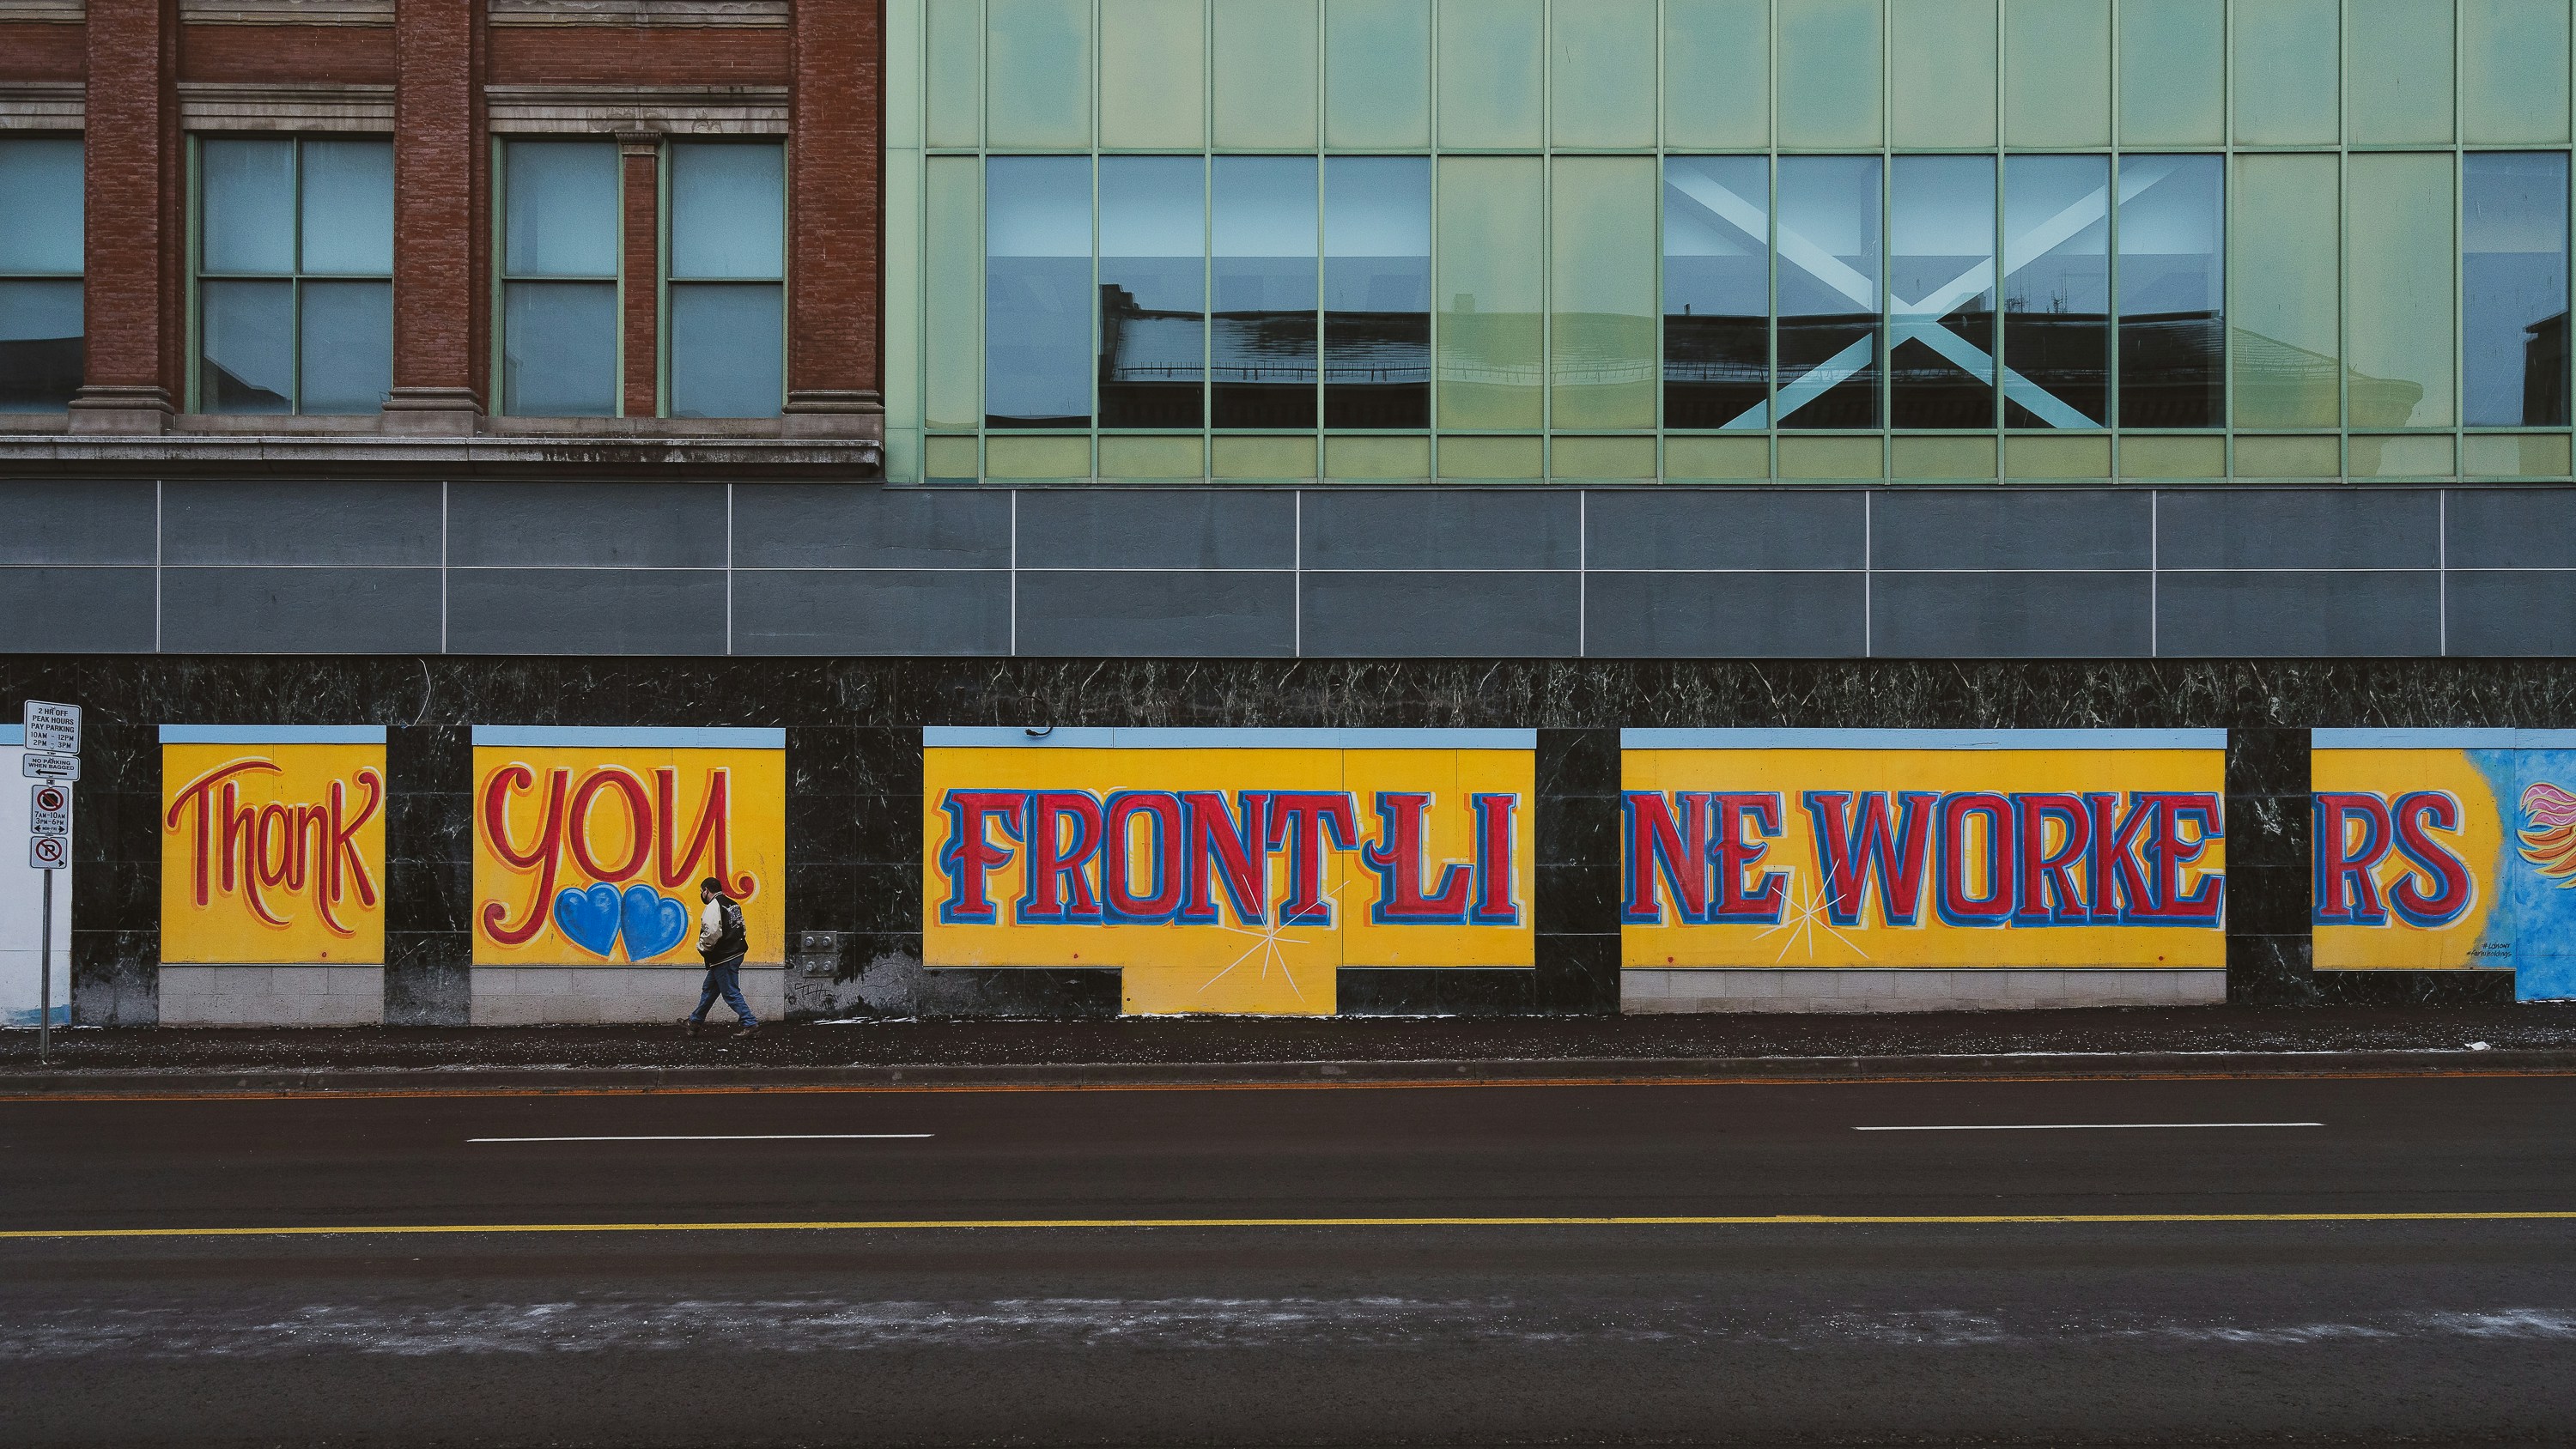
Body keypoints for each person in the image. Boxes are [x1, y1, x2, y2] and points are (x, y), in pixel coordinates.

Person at [682, 876, 758, 1036]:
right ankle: (694, 1022)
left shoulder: (713, 906)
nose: (702, 894)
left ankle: (750, 1023)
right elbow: (741, 929)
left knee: (730, 992)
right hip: (734, 953)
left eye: (701, 891)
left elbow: (711, 932)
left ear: (706, 890)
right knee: (709, 989)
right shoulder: (733, 904)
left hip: (724, 957)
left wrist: (702, 947)